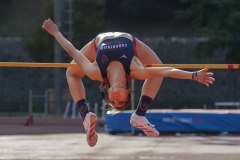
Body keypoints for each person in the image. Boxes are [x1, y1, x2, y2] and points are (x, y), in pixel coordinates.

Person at [42, 18, 215, 147]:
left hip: (98, 43)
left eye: (113, 100)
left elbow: (72, 51)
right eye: (121, 101)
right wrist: (193, 76)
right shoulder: (136, 71)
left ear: (108, 92)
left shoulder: (95, 72)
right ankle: (139, 114)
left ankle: (85, 116)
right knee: (158, 70)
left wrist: (55, 32)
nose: (116, 98)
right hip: (131, 43)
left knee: (71, 72)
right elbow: (167, 71)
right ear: (128, 92)